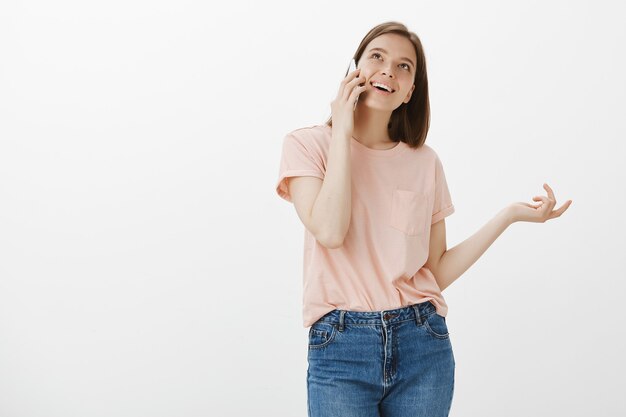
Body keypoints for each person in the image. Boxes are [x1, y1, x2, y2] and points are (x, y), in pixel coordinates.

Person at [275, 21, 572, 417]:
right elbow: (329, 230)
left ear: (411, 90)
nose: (388, 71)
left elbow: (435, 270)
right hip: (341, 347)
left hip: (422, 343)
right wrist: (342, 130)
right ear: (354, 69)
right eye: (377, 57)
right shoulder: (307, 145)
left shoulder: (424, 162)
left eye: (404, 67)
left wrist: (510, 215)